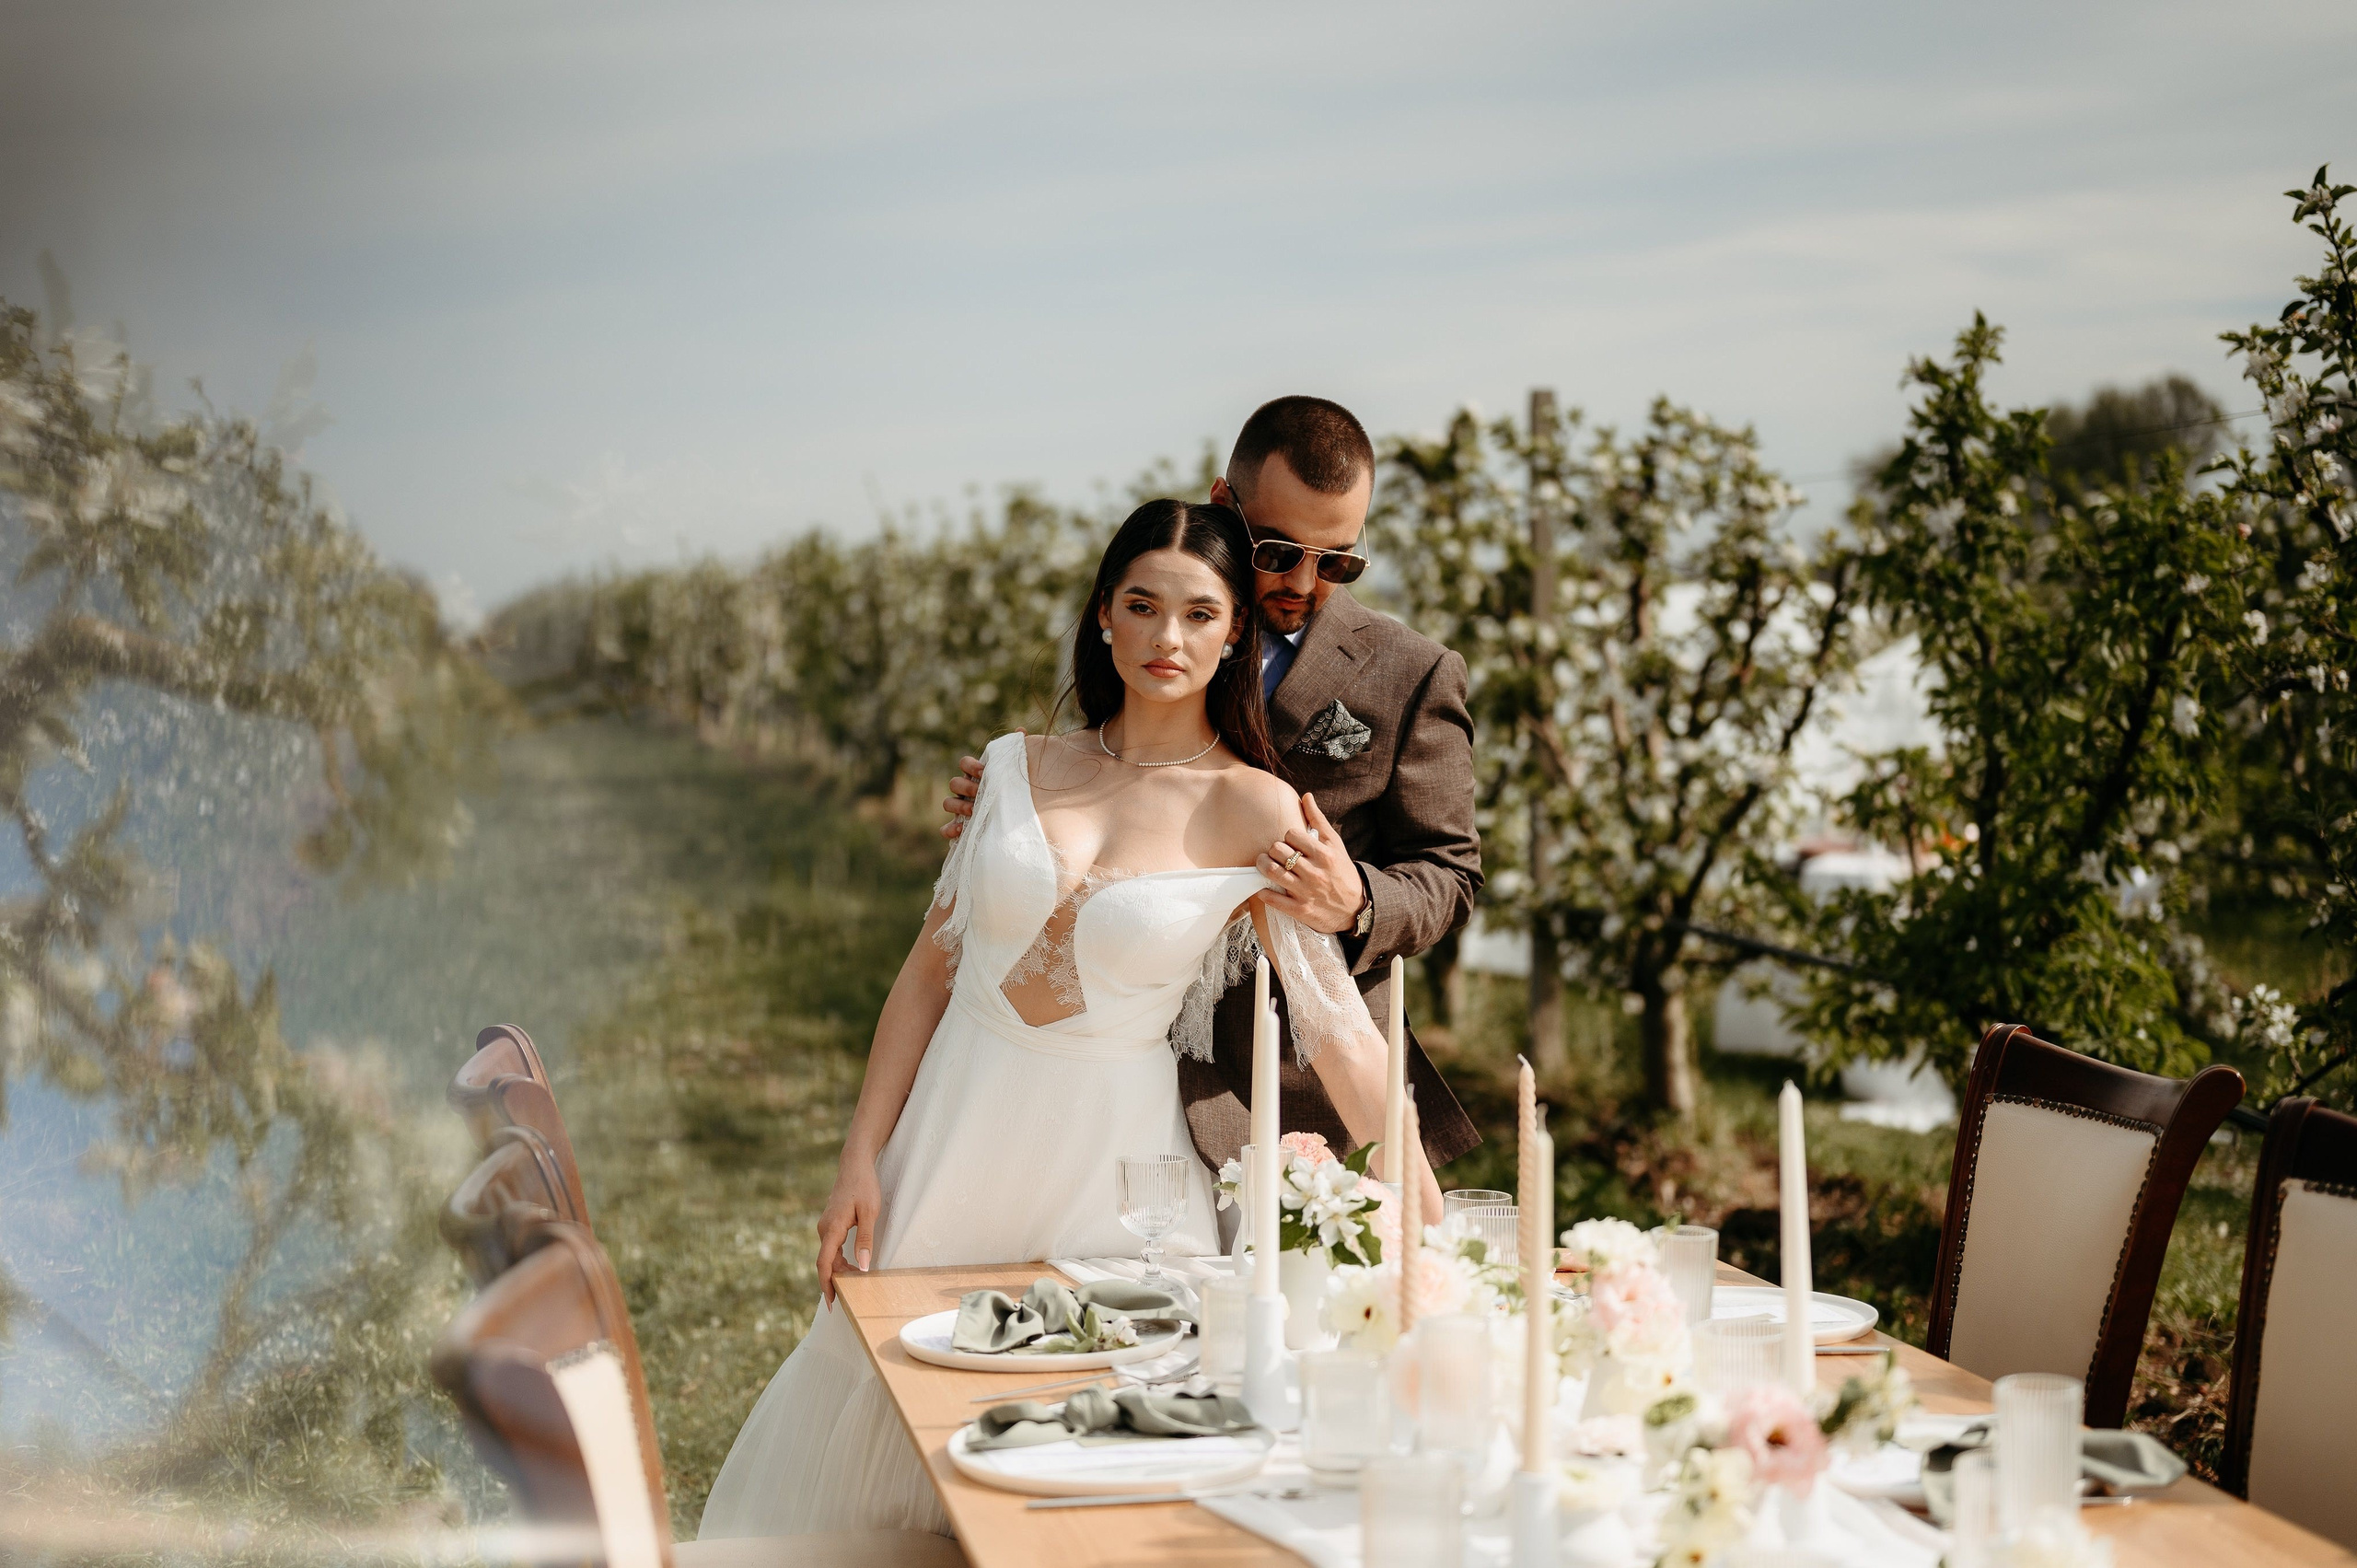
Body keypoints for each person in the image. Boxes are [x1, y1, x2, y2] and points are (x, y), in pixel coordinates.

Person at [698, 500, 1436, 1540]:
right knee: (895, 1434)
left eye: (1197, 613)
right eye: (1141, 605)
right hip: (952, 1137)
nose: (1165, 638)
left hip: (1116, 1177)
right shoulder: (1011, 767)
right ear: (1102, 616)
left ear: (1235, 633)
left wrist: (1417, 1201)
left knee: (1092, 1457)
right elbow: (924, 976)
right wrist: (858, 1156)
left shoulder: (1255, 806)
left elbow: (1337, 1028)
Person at [946, 396, 1482, 1213]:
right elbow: (1121, 772)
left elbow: (1450, 872)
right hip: (1117, 1057)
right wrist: (1015, 818)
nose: (1305, 583)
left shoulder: (1412, 673)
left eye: (1337, 561)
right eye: (1278, 551)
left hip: (1298, 1092)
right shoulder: (1159, 606)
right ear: (1223, 505)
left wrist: (1359, 900)